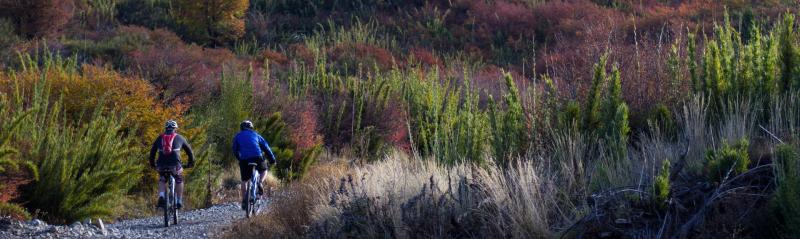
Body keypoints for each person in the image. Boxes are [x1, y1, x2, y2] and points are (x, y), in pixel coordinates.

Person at [149, 120, 195, 209]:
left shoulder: (159, 138)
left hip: (161, 164)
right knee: (179, 179)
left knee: (162, 179)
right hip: (175, 164)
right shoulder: (180, 138)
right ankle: (179, 201)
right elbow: (190, 152)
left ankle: (161, 196)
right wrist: (190, 163)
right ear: (175, 129)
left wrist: (153, 164)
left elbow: (152, 153)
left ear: (166, 128)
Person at [232, 120, 276, 210]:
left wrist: (239, 158)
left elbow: (235, 149)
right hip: (257, 157)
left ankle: (244, 200)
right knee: (264, 170)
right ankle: (260, 182)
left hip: (244, 159)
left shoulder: (238, 136)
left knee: (244, 180)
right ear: (251, 128)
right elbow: (266, 148)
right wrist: (272, 160)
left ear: (241, 128)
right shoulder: (256, 135)